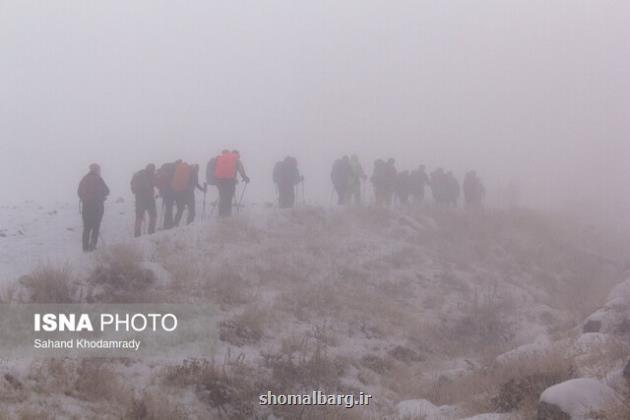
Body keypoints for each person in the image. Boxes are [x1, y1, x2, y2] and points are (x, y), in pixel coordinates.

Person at [77, 163, 110, 252]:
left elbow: (79, 192)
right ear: (97, 170)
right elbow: (107, 191)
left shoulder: (84, 179)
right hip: (97, 207)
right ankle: (93, 246)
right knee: (96, 226)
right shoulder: (98, 179)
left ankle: (85, 248)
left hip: (86, 207)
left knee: (86, 228)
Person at [214, 150, 249, 217]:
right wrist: (245, 178)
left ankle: (220, 214)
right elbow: (240, 169)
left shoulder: (221, 158)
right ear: (237, 154)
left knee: (222, 197)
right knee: (228, 197)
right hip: (229, 181)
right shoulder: (235, 159)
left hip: (219, 180)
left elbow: (216, 168)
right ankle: (227, 215)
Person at [130, 163, 157, 237]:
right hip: (149, 198)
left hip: (139, 198)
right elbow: (155, 183)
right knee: (153, 215)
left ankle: (137, 234)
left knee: (139, 217)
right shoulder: (151, 175)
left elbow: (132, 185)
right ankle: (151, 232)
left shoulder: (138, 174)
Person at [156, 160, 178, 229]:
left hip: (165, 192)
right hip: (170, 192)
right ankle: (167, 224)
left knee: (168, 208)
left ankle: (167, 224)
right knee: (169, 208)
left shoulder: (165, 172)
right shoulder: (172, 172)